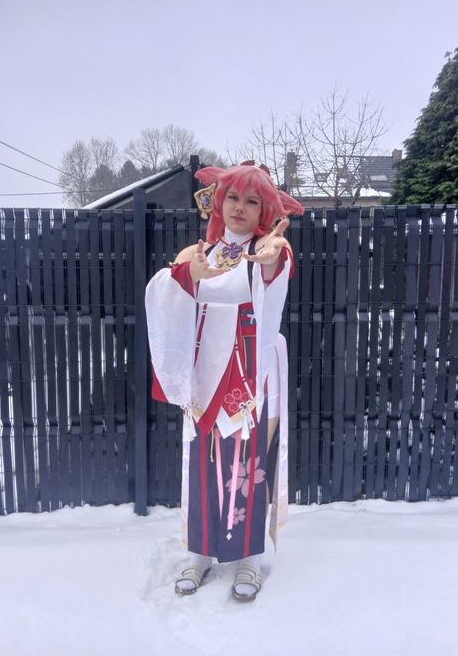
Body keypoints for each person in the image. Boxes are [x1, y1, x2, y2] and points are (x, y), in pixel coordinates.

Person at [145, 162, 303, 601]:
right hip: (203, 378)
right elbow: (165, 295)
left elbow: (273, 266)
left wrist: (272, 257)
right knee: (201, 462)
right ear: (217, 201)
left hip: (250, 375)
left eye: (252, 201)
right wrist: (188, 276)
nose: (239, 207)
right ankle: (199, 551)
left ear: (264, 210)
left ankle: (250, 556)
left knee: (249, 465)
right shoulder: (198, 253)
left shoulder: (269, 249)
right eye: (233, 197)